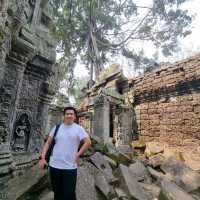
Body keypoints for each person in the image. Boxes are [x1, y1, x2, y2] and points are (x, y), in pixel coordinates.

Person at [39, 106, 92, 200]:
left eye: (71, 114)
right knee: (57, 192)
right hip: (54, 165)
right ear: (64, 116)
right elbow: (48, 143)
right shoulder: (57, 128)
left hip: (69, 166)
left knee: (69, 193)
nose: (69, 115)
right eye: (67, 114)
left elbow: (88, 142)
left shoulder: (78, 129)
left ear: (75, 117)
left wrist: (78, 154)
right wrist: (43, 158)